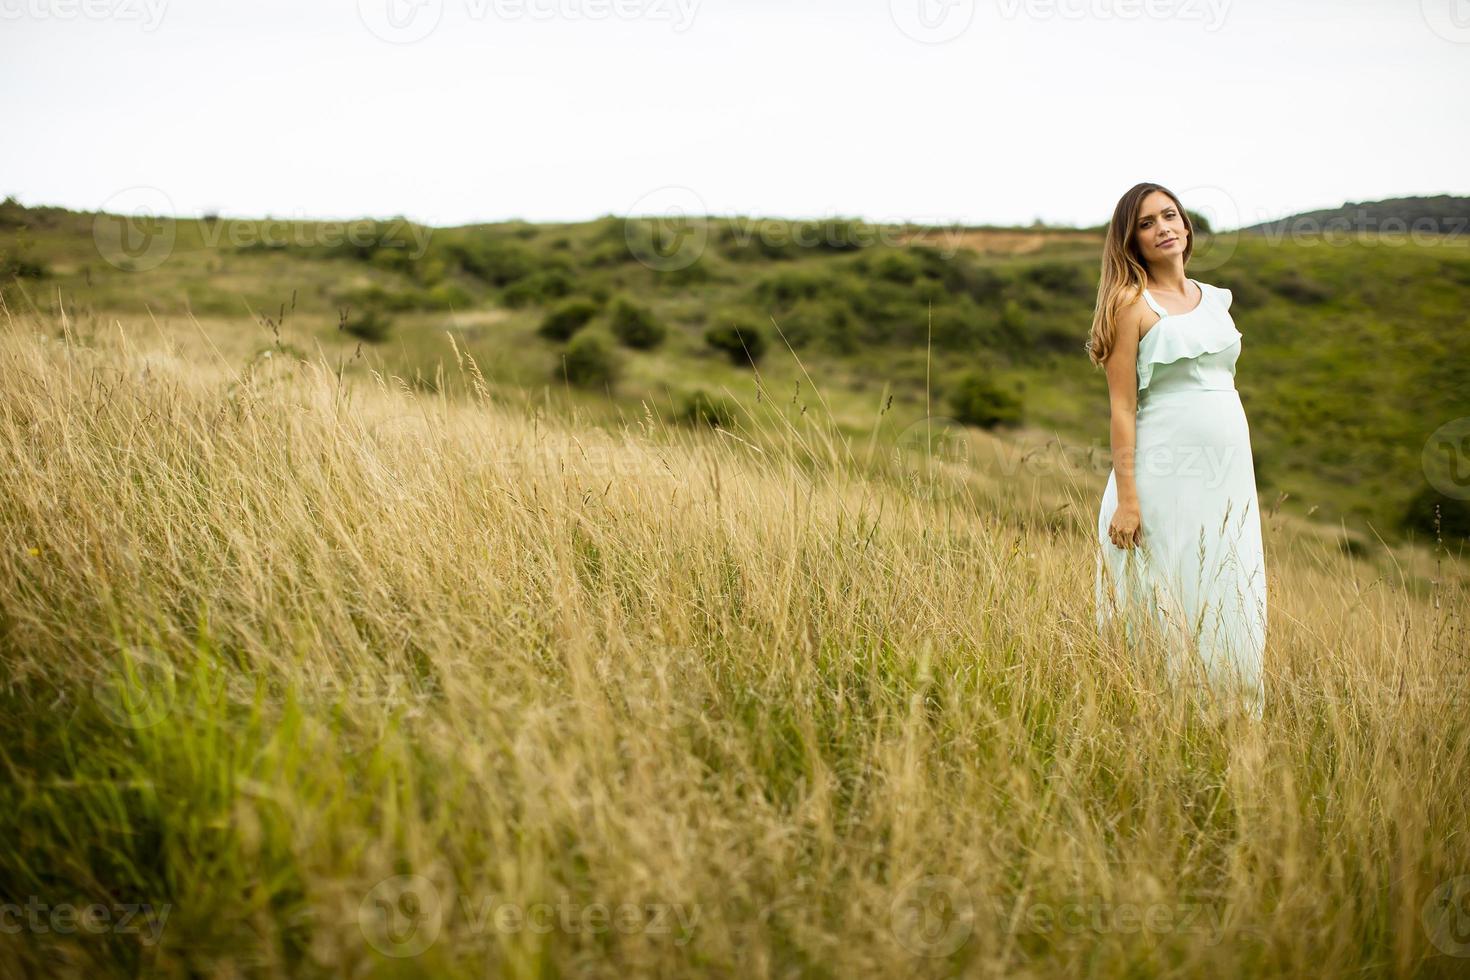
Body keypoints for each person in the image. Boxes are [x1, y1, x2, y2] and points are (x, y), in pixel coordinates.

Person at [1086, 182, 1266, 720]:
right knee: (1170, 591)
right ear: (1131, 240)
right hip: (1163, 477)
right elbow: (1122, 408)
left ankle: (1232, 716)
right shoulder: (1130, 306)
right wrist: (1128, 499)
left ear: (1186, 227)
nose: (1163, 227)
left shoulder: (1215, 300)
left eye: (1170, 216)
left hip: (1228, 476)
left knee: (1231, 583)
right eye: (1146, 222)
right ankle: (1158, 718)